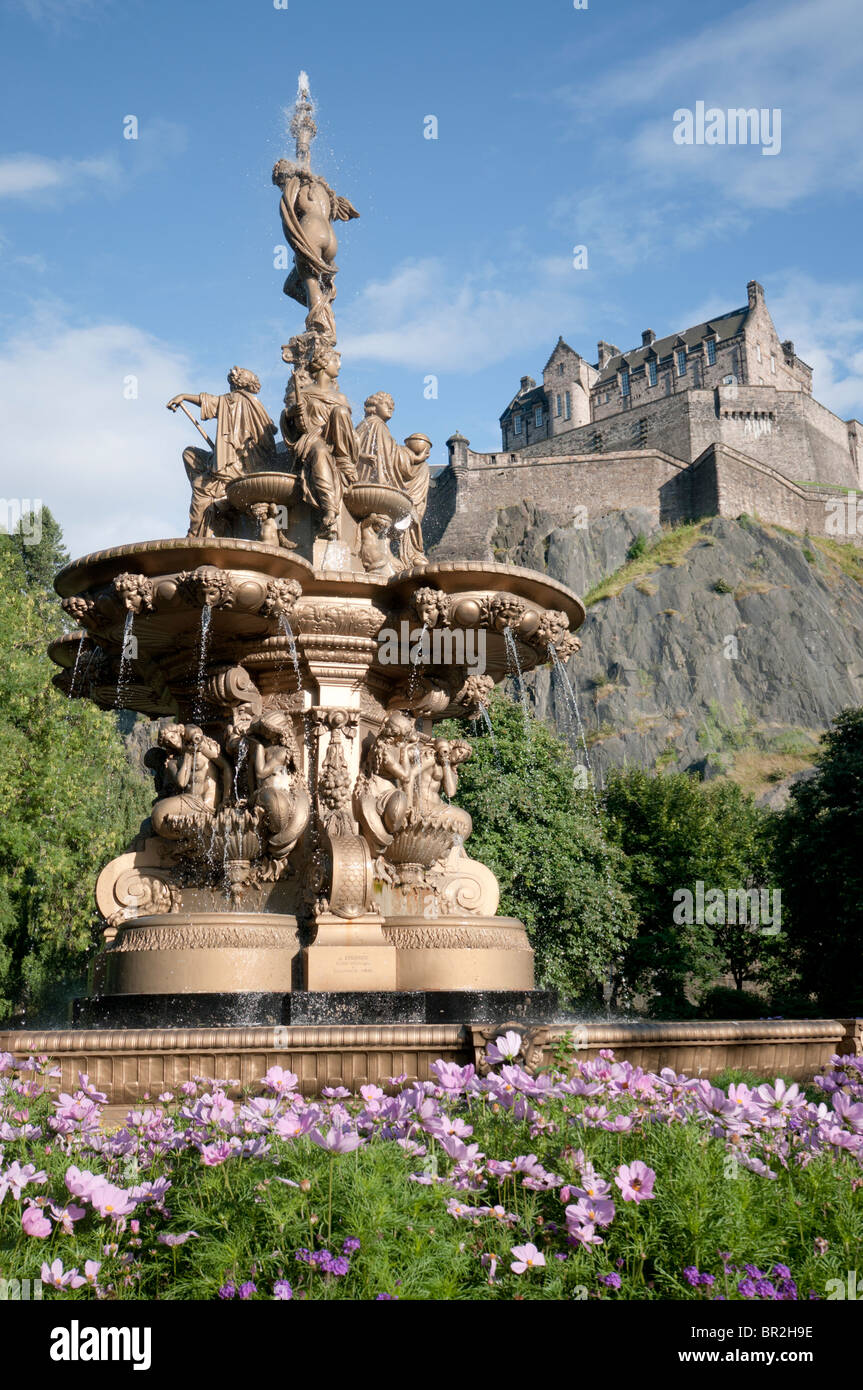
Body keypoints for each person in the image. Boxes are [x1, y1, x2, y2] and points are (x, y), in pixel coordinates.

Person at [167, 367, 278, 538]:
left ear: (236, 384)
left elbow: (210, 401)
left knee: (200, 486)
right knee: (190, 454)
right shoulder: (256, 405)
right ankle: (212, 483)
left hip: (234, 468)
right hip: (234, 462)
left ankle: (195, 533)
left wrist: (183, 396)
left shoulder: (234, 400)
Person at [281, 342, 358, 538]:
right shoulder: (303, 394)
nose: (339, 366)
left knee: (340, 412)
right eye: (335, 361)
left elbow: (349, 430)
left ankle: (342, 459)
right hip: (311, 439)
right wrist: (291, 413)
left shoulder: (340, 398)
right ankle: (329, 511)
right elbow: (292, 425)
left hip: (337, 442)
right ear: (324, 364)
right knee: (321, 451)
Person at [355, 392, 431, 568]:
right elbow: (388, 455)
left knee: (423, 469)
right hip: (371, 481)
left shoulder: (374, 426)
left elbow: (391, 453)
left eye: (392, 405)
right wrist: (415, 458)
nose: (391, 407)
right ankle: (409, 552)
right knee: (421, 471)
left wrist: (414, 459)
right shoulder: (376, 425)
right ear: (374, 406)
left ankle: (405, 549)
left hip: (371, 481)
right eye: (386, 403)